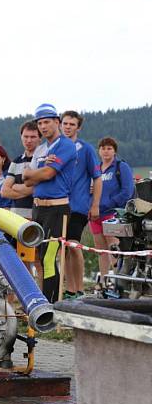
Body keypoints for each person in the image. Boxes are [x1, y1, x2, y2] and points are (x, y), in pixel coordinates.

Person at [22, 103, 77, 302]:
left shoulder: (66, 145)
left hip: (57, 210)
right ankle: (44, 299)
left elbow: (48, 173)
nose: (43, 126)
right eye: (40, 123)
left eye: (47, 122)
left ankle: (50, 302)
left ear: (57, 122)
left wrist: (35, 172)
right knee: (37, 255)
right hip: (38, 208)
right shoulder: (41, 149)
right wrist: (32, 173)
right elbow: (27, 179)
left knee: (48, 256)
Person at [60, 110, 102, 299]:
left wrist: (95, 205)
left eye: (72, 124)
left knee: (75, 246)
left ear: (78, 127)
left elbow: (97, 178)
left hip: (78, 206)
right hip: (59, 205)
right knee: (65, 249)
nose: (67, 127)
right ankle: (70, 289)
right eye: (65, 123)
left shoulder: (85, 149)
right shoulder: (57, 147)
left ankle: (79, 289)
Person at [91, 137, 134, 280]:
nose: (106, 151)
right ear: (99, 151)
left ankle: (118, 281)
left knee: (114, 249)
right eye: (103, 148)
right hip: (95, 215)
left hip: (113, 214)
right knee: (100, 250)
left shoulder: (121, 167)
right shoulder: (95, 168)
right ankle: (103, 282)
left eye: (109, 148)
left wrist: (109, 203)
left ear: (115, 151)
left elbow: (127, 191)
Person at [1, 121, 41, 219]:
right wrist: (28, 190)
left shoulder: (43, 159)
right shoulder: (16, 161)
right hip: (17, 218)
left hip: (37, 216)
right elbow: (4, 191)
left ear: (40, 138)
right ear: (21, 137)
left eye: (33, 137)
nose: (29, 140)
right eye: (26, 136)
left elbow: (38, 189)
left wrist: (15, 187)